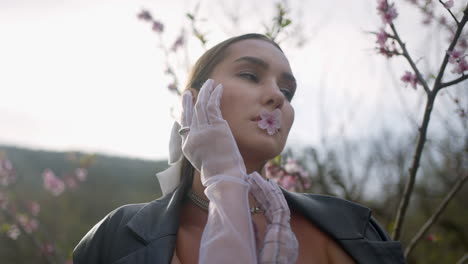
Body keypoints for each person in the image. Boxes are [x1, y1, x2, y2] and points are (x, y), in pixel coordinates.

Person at [73, 33, 406, 264]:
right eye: (250, 75)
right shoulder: (115, 237)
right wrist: (225, 181)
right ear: (193, 99)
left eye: (288, 92)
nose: (277, 96)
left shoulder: (354, 228)